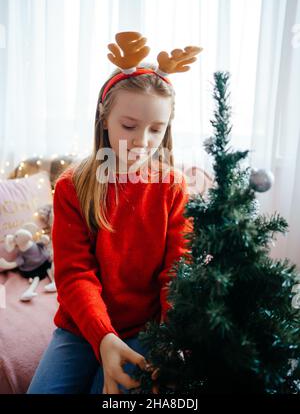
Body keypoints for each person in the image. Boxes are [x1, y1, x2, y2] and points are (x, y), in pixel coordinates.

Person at [27, 32, 202, 394]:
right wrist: (103, 336)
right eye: (129, 126)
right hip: (81, 326)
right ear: (104, 119)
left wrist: (171, 343)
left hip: (147, 329)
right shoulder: (72, 186)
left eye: (157, 129)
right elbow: (75, 276)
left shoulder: (173, 187)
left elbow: (177, 272)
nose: (142, 142)